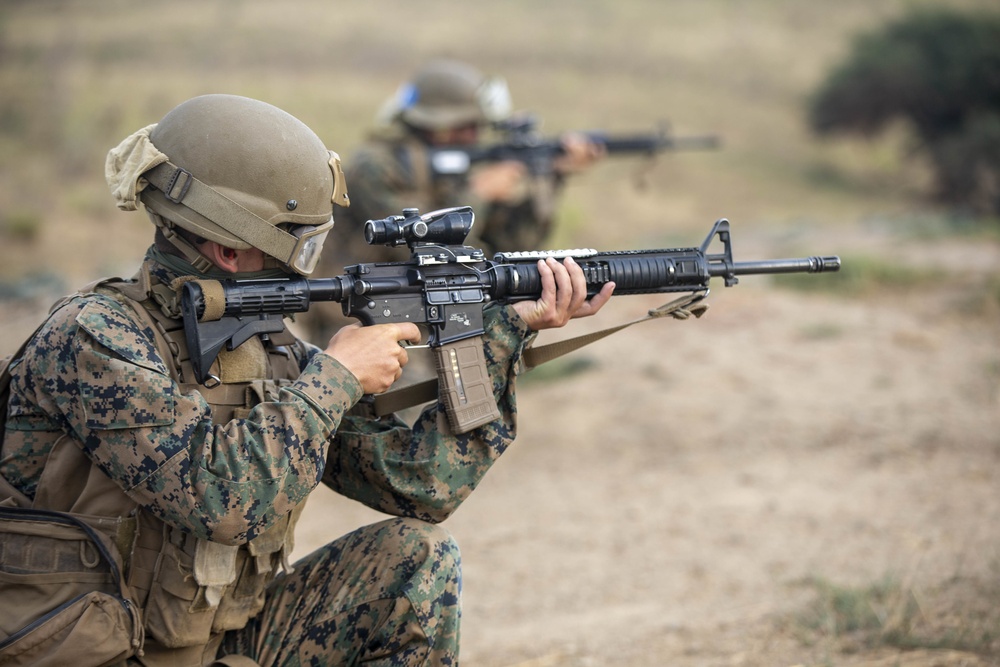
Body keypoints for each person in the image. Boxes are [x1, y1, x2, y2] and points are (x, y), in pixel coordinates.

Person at [0, 94, 613, 666]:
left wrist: (502, 332)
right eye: (297, 238)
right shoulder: (94, 339)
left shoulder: (266, 347)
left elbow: (421, 485)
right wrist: (337, 377)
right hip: (94, 652)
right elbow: (219, 498)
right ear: (230, 250)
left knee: (412, 561)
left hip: (215, 645)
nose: (307, 256)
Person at [302, 58, 605, 344]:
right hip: (362, 320)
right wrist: (477, 194)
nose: (474, 135)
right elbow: (421, 246)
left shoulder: (457, 164)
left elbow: (508, 247)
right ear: (435, 122)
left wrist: (550, 178)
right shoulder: (376, 166)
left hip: (433, 309)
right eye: (465, 125)